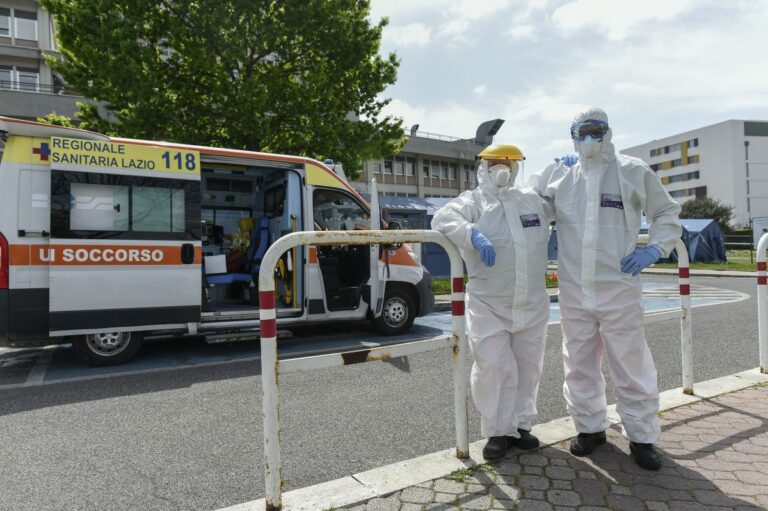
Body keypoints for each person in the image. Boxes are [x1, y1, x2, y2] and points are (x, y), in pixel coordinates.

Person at [529, 107, 682, 470]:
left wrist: (655, 248)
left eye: (595, 130)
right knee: (578, 362)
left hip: (618, 287)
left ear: (608, 132)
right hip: (574, 289)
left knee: (630, 364)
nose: (588, 138)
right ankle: (590, 428)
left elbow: (665, 212)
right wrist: (545, 172)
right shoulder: (562, 177)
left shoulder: (631, 171)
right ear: (571, 135)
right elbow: (529, 205)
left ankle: (642, 437)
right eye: (581, 132)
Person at [432, 144, 552, 461]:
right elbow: (443, 219)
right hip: (490, 305)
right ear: (483, 166)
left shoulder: (531, 201)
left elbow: (563, 202)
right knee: (493, 368)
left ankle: (521, 426)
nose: (502, 168)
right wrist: (472, 234)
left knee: (528, 367)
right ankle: (498, 432)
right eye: (496, 162)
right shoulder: (473, 201)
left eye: (509, 163)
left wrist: (564, 168)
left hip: (531, 302)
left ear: (517, 168)